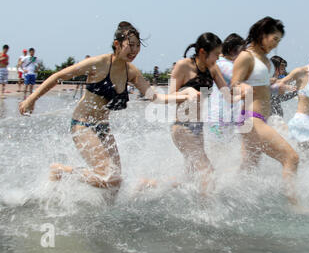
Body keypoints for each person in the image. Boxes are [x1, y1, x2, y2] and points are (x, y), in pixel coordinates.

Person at [19, 21, 198, 195]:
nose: (134, 51)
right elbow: (59, 76)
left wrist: (186, 94)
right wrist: (32, 99)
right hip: (82, 125)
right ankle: (60, 172)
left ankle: (102, 217)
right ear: (117, 44)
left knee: (115, 184)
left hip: (103, 128)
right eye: (130, 45)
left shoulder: (131, 71)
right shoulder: (99, 63)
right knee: (110, 178)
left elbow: (156, 97)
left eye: (137, 46)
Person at [230, 16, 300, 206]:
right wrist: (241, 88)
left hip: (259, 118)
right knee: (291, 158)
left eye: (279, 40)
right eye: (274, 39)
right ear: (262, 34)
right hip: (251, 119)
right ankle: (294, 205)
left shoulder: (265, 61)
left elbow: (261, 84)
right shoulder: (246, 56)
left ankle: (229, 196)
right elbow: (233, 85)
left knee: (250, 166)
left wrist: (276, 85)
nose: (276, 44)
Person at [170, 32, 243, 194]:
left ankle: (149, 185)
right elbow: (170, 97)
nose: (218, 58)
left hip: (198, 128)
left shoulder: (213, 69)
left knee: (190, 175)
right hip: (182, 127)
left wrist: (243, 94)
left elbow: (229, 97)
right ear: (202, 52)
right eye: (216, 54)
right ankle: (206, 214)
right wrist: (187, 92)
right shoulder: (183, 66)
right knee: (207, 171)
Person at [208, 33, 245, 139]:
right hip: (220, 118)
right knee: (221, 149)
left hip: (221, 117)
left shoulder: (220, 62)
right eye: (242, 52)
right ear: (232, 50)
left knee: (222, 150)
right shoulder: (224, 65)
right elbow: (242, 81)